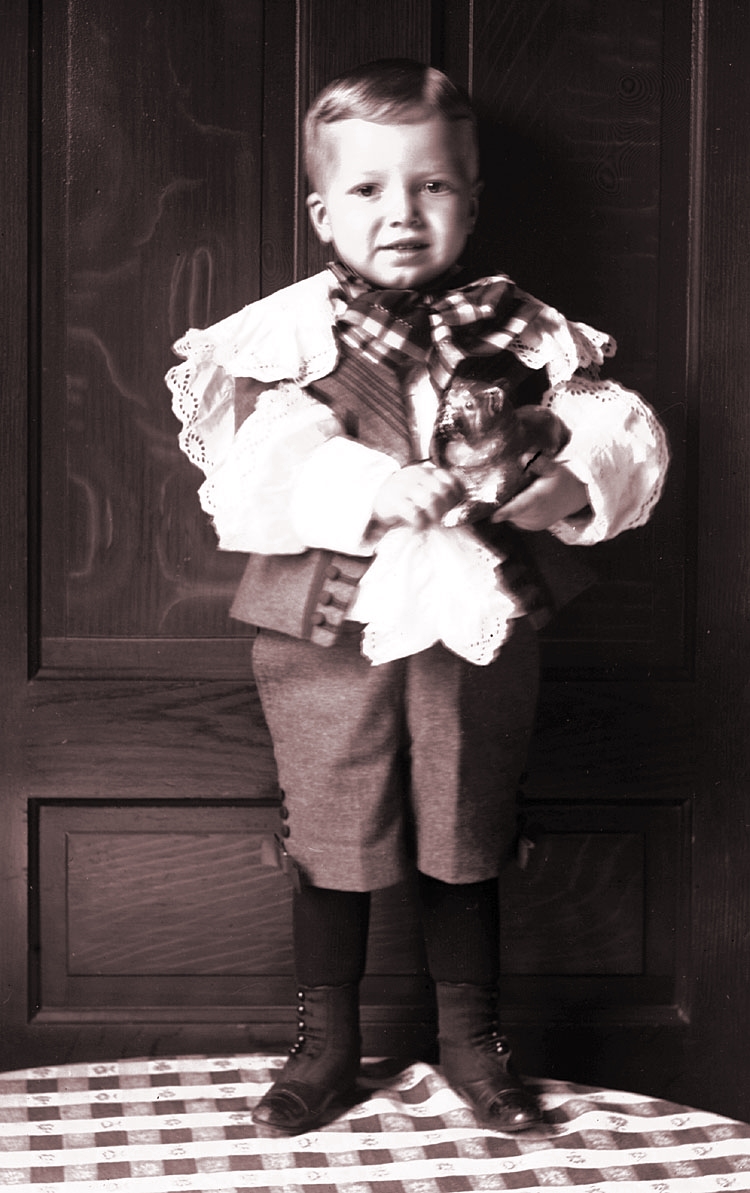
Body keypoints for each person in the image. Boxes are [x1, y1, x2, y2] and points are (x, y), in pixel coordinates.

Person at [166, 59, 669, 1135]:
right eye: (368, 189)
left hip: (477, 611)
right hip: (325, 617)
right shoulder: (288, 331)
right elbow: (261, 461)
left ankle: (474, 1039)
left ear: (471, 201)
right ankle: (326, 1039)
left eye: (432, 186)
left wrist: (573, 482)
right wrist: (376, 484)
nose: (401, 212)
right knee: (333, 822)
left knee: (467, 821)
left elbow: (617, 419)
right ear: (322, 209)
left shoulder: (519, 325)